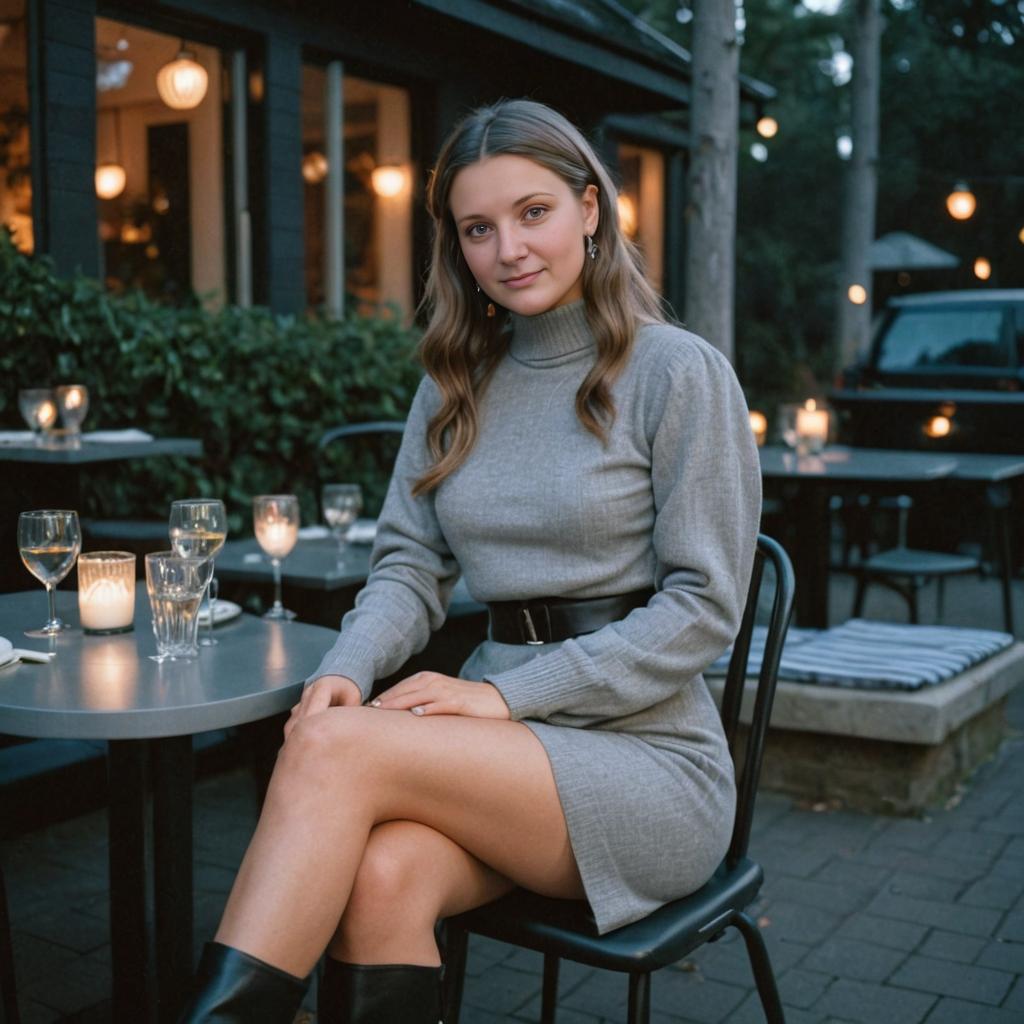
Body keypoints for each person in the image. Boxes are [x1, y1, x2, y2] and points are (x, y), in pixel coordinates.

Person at [178, 98, 761, 1023]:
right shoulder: (456, 381)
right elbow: (408, 567)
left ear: (590, 210)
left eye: (534, 212)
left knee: (333, 748)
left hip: (649, 762)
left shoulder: (675, 372)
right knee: (380, 875)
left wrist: (504, 696)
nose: (509, 249)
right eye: (478, 228)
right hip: (499, 752)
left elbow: (704, 609)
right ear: (457, 247)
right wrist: (345, 668)